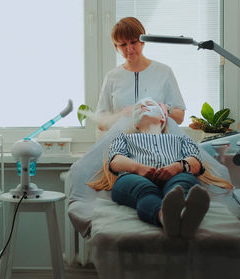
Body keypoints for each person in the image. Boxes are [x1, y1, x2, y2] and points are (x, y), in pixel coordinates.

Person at [87, 98, 227, 239]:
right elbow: (115, 160)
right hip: (134, 178)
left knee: (183, 183)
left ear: (163, 117)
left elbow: (195, 162)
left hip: (176, 175)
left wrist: (177, 167)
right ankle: (165, 217)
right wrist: (138, 168)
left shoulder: (180, 139)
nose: (143, 107)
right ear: (135, 123)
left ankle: (186, 214)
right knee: (145, 191)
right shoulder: (124, 138)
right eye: (138, 108)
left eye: (149, 105)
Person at [96, 17, 186, 131]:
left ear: (142, 41)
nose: (129, 48)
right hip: (122, 146)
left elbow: (180, 117)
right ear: (116, 46)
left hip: (157, 145)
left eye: (133, 42)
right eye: (123, 45)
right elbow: (101, 124)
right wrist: (122, 114)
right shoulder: (112, 77)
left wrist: (163, 109)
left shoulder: (164, 72)